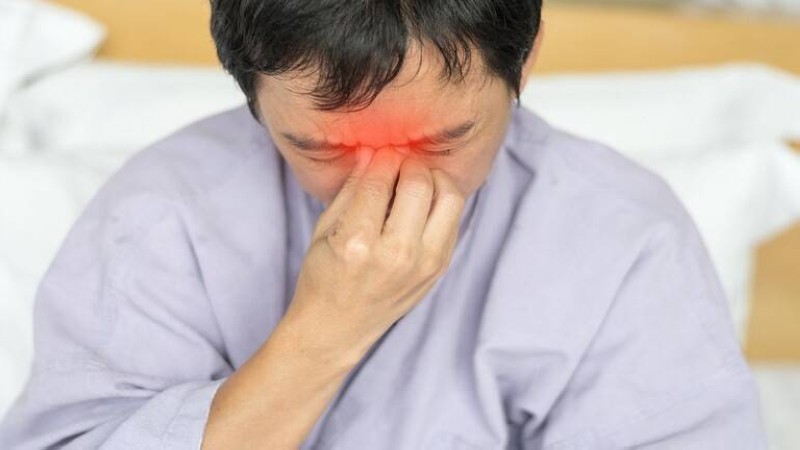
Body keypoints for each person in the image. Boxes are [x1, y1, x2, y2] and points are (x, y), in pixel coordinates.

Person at [0, 0, 768, 448]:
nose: (385, 186)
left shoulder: (626, 238)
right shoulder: (158, 215)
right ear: (250, 94)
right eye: (321, 148)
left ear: (527, 59)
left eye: (444, 140)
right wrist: (328, 328)